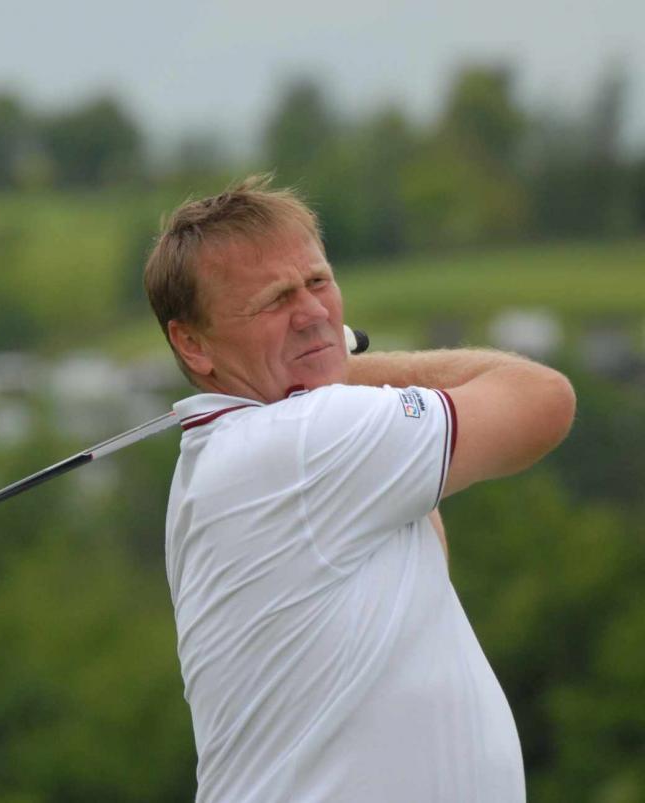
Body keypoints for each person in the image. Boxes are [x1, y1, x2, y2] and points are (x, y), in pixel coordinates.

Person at [143, 176, 576, 802]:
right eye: (275, 301)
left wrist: (326, 372)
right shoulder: (303, 439)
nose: (314, 313)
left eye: (317, 282)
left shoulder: (264, 451)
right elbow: (544, 400)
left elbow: (422, 535)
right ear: (192, 343)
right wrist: (344, 370)